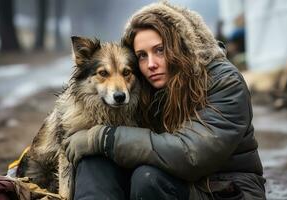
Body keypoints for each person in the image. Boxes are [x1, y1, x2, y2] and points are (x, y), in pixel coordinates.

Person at [63, 2, 266, 200]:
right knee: (95, 162)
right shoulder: (145, 86)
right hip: (171, 180)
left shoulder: (225, 82)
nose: (150, 64)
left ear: (181, 45)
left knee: (148, 178)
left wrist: (103, 138)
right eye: (142, 56)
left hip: (225, 189)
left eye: (159, 50)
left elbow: (190, 156)